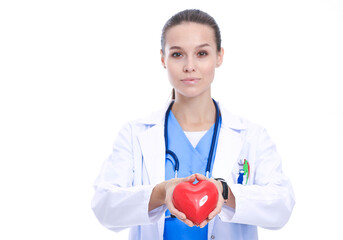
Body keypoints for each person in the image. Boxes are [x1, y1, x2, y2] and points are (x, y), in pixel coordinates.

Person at [91, 9, 295, 240]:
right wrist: (160, 192)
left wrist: (223, 192)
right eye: (177, 54)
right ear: (162, 59)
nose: (189, 66)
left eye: (202, 53)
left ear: (219, 56)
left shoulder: (252, 136)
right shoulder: (134, 134)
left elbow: (282, 206)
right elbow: (104, 205)